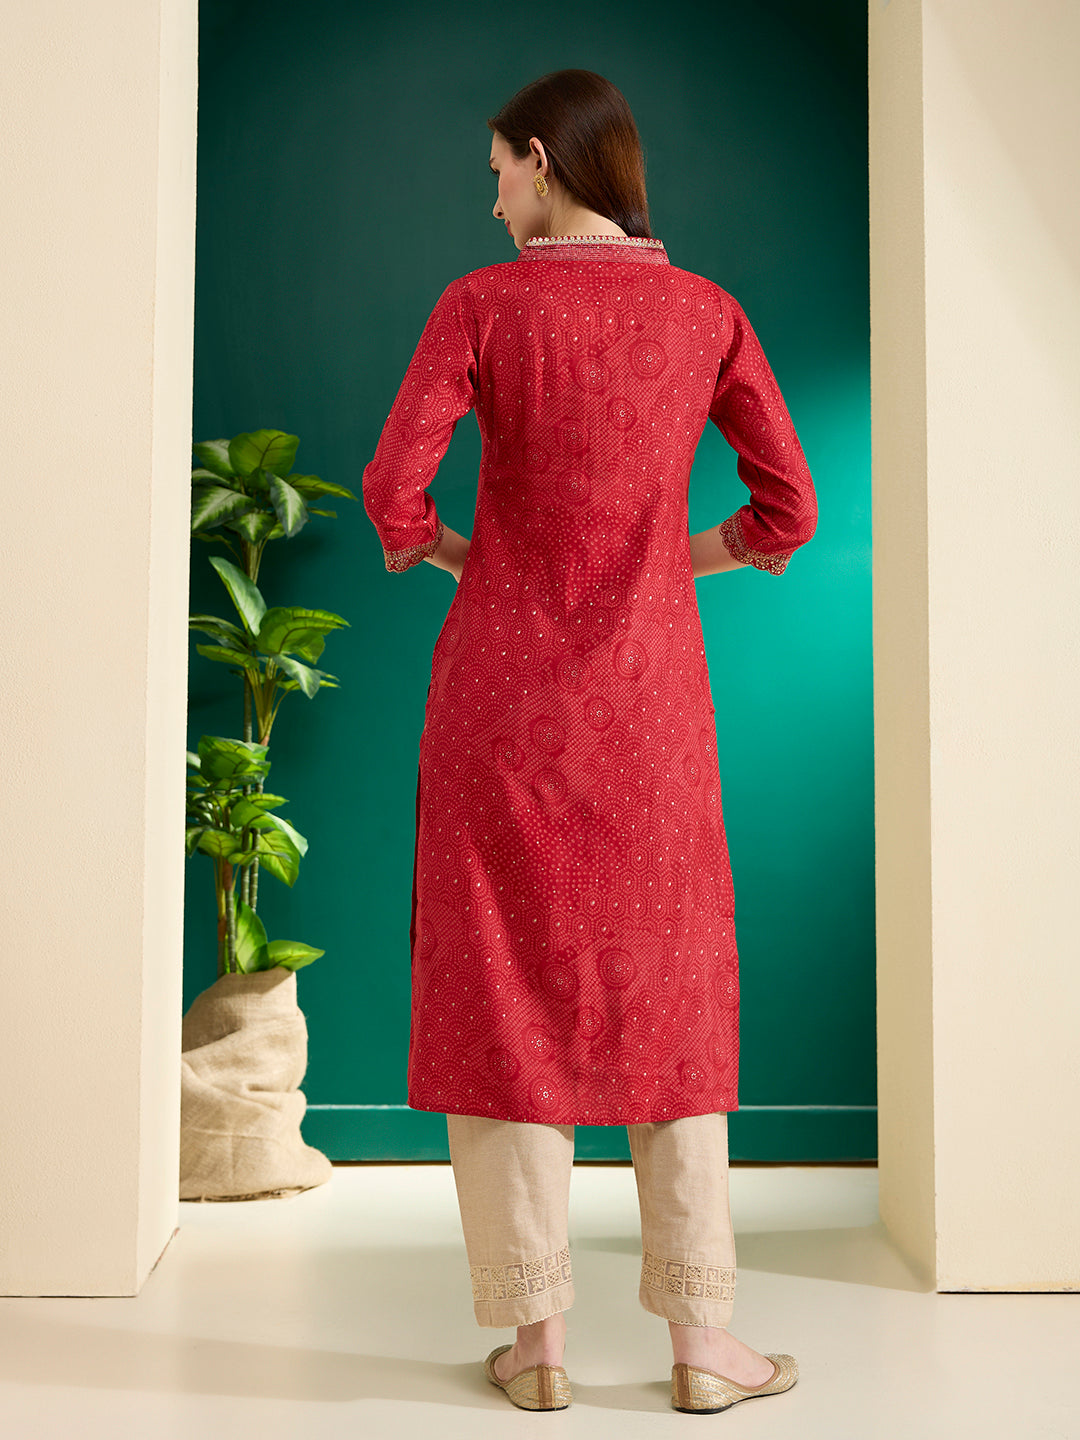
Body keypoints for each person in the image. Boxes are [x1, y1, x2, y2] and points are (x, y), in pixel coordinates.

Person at [361, 68, 816, 1414]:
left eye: (498, 169)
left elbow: (394, 491)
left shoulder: (479, 306)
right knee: (673, 996)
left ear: (544, 160)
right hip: (652, 710)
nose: (492, 195)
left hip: (499, 709)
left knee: (505, 994)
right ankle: (704, 1347)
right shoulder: (706, 314)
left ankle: (538, 1343)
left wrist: (465, 558)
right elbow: (786, 508)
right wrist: (675, 562)